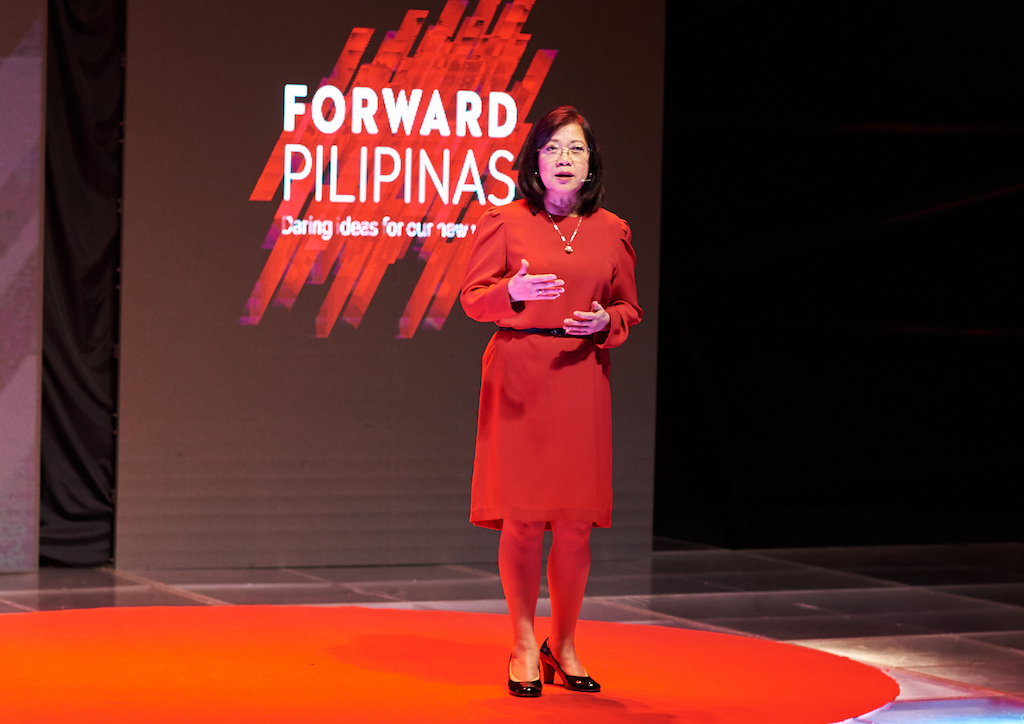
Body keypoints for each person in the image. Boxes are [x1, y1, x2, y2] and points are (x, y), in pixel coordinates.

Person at [460, 106, 642, 697]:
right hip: (519, 373)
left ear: (591, 162)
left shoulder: (613, 230)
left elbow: (628, 307)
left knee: (575, 523)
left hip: (581, 375)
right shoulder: (504, 221)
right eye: (553, 149)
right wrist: (510, 291)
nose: (565, 160)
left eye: (576, 149)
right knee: (522, 517)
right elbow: (473, 298)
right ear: (535, 161)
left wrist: (606, 322)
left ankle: (561, 643)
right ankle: (521, 643)